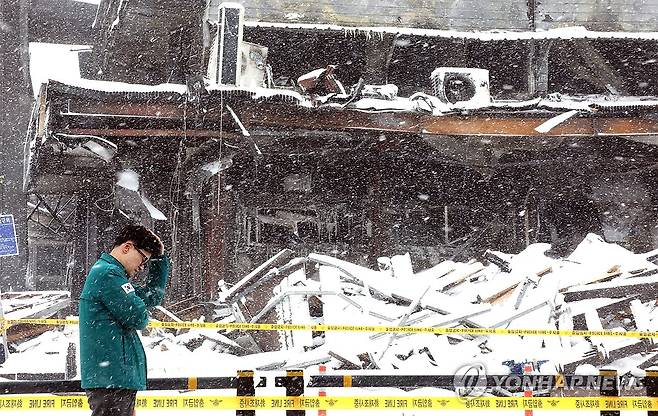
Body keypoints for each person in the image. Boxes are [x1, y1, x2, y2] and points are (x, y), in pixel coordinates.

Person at [79, 224, 169, 416]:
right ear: (127, 247)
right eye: (143, 259)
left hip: (113, 377)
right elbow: (138, 316)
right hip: (112, 378)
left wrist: (159, 259)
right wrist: (141, 312)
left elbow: (151, 297)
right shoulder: (108, 275)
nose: (142, 266)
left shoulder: (112, 275)